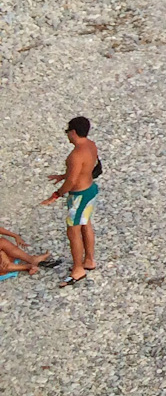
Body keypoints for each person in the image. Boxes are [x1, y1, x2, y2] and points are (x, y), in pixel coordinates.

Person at [40, 115, 101, 285]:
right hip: (91, 190)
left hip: (79, 196)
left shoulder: (75, 155)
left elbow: (72, 181)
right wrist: (63, 176)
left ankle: (78, 269)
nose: (67, 135)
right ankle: (89, 260)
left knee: (73, 231)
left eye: (68, 131)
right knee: (86, 223)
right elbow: (85, 169)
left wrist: (56, 194)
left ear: (73, 132)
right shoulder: (91, 145)